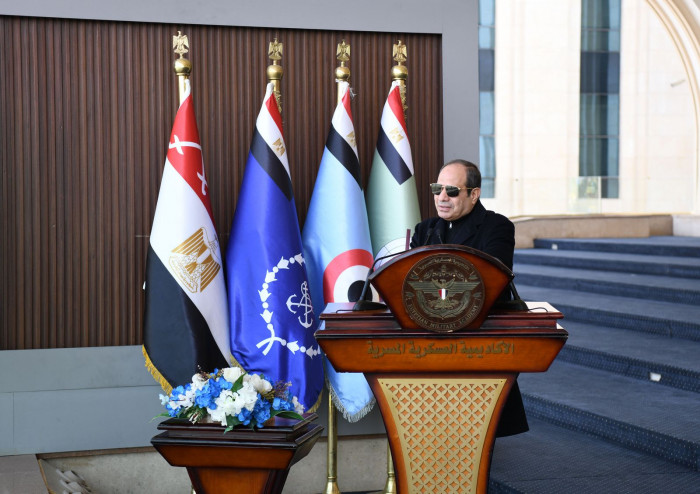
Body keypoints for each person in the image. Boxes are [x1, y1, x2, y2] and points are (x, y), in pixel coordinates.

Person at [410, 159, 528, 437]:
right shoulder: (425, 229)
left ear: (474, 194)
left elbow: (492, 277)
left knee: (477, 433)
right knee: (431, 431)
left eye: (451, 191)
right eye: (437, 189)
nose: (442, 197)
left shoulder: (496, 226)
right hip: (430, 343)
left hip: (478, 342)